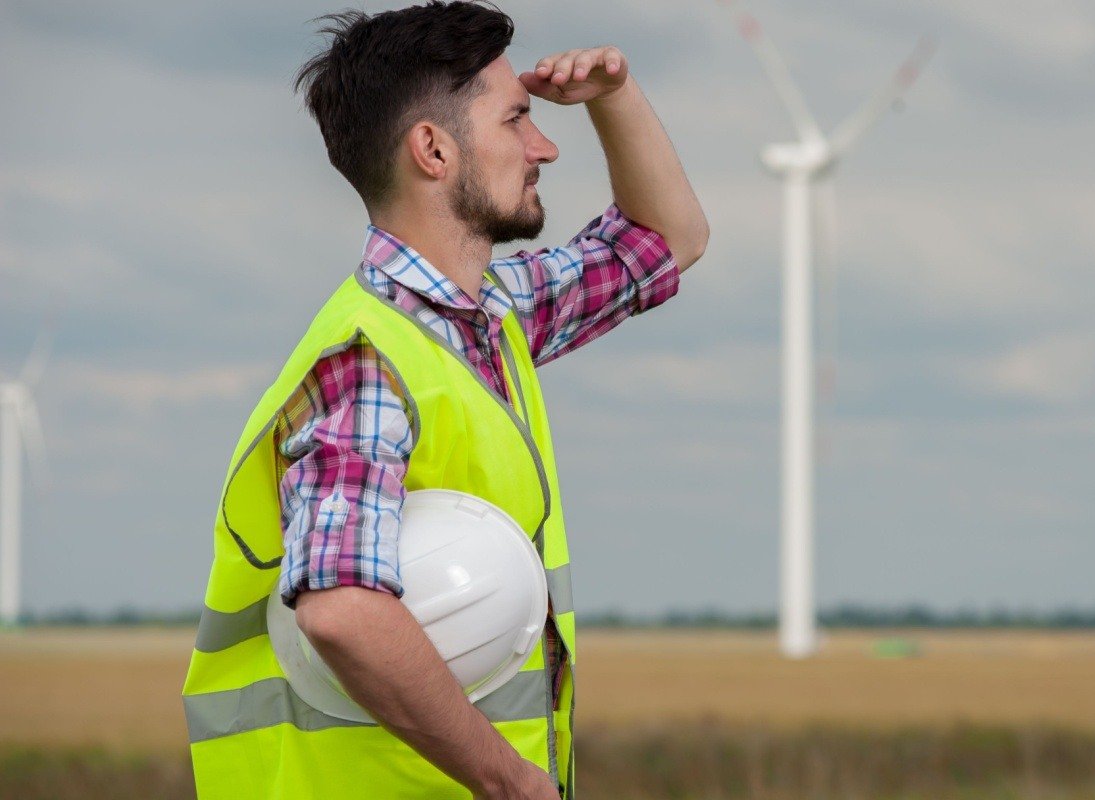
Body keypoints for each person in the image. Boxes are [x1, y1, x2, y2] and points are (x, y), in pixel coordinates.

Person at [180, 2, 708, 798]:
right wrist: (511, 782)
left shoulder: (490, 318)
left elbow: (667, 241)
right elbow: (341, 609)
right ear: (433, 149)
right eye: (518, 120)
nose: (545, 147)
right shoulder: (368, 360)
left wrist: (615, 94)